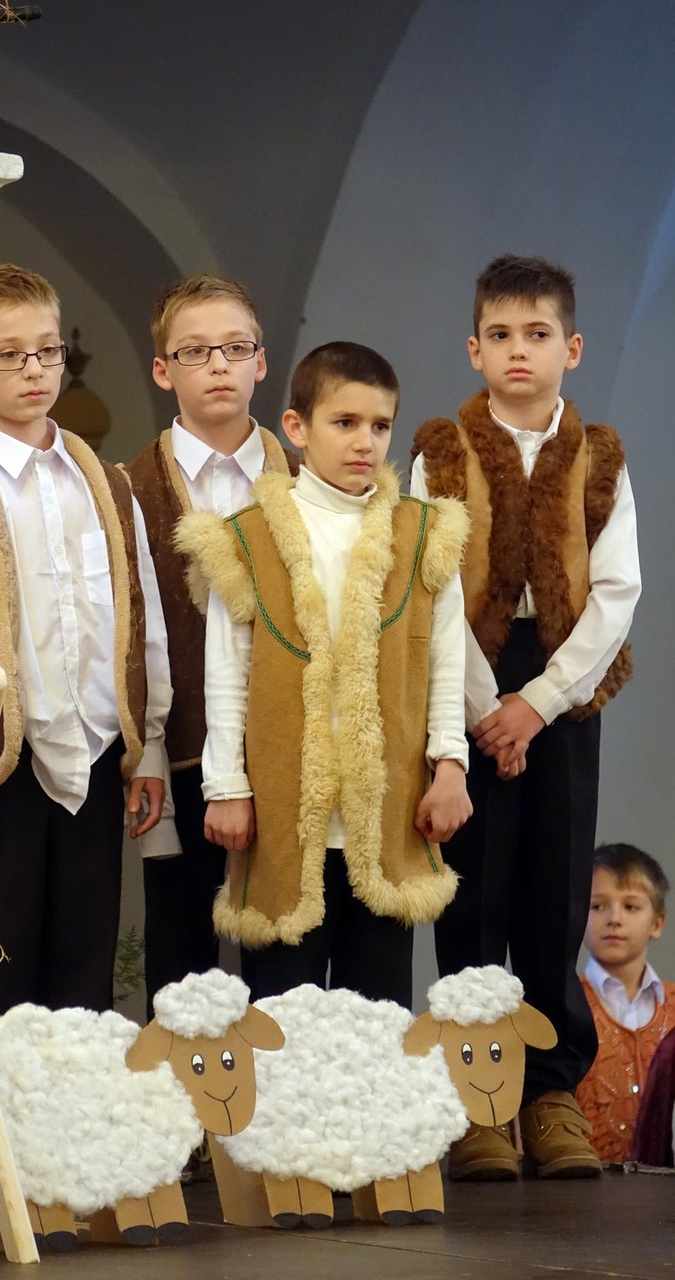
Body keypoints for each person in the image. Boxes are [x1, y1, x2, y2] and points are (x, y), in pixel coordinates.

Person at [411, 254, 642, 1180]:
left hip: (563, 688)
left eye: (537, 334)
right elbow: (428, 589)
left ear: (569, 349)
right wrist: (484, 710)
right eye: (499, 335)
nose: (518, 350)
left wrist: (535, 706)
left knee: (554, 888)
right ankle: (477, 1104)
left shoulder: (601, 456)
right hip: (463, 683)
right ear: (473, 348)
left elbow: (617, 592)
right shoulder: (438, 454)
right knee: (473, 893)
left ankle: (549, 1096)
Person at [0, 263, 172, 1020]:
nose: (34, 370)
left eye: (47, 351)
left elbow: (138, 623)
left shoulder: (107, 486)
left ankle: (67, 1105)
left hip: (93, 760)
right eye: (9, 354)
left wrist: (146, 747)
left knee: (82, 988)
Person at [176, 341, 471, 1006]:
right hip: (284, 815)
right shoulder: (248, 539)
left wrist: (450, 765)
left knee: (379, 1018)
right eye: (344, 422)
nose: (365, 441)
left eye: (380, 425)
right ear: (297, 427)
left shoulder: (423, 534)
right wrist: (226, 785)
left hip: (389, 811)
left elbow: (442, 662)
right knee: (284, 1017)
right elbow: (226, 675)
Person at [128, 274, 299, 1016]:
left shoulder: (311, 481)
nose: (218, 365)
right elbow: (125, 633)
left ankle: (278, 1097)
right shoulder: (126, 491)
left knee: (287, 963)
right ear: (163, 370)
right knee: (181, 960)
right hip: (180, 752)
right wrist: (144, 754)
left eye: (235, 347)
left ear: (261, 361)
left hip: (292, 754)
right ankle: (186, 1093)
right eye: (195, 352)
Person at [576, 844, 675, 1163]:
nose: (614, 919)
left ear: (657, 923)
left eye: (631, 907)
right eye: (597, 906)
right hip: (581, 1184)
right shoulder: (564, 1007)